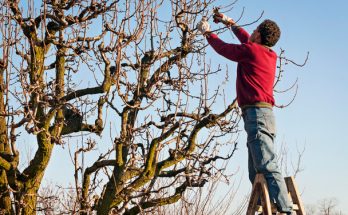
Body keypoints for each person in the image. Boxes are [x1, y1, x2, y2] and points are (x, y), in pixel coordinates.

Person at [197, 13, 293, 214]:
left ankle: (286, 210)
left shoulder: (251, 52)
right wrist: (229, 23)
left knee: (267, 165)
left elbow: (225, 49)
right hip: (261, 115)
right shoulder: (266, 53)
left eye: (256, 30)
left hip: (257, 115)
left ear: (258, 37)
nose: (253, 32)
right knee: (256, 169)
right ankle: (262, 205)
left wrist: (207, 33)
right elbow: (245, 39)